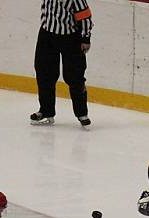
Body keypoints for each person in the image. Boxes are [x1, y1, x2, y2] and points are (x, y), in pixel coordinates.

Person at [30, 0, 93, 128]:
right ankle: (46, 111)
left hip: (70, 38)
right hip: (47, 35)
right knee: (44, 73)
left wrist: (85, 38)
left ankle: (82, 113)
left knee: (75, 76)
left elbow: (85, 15)